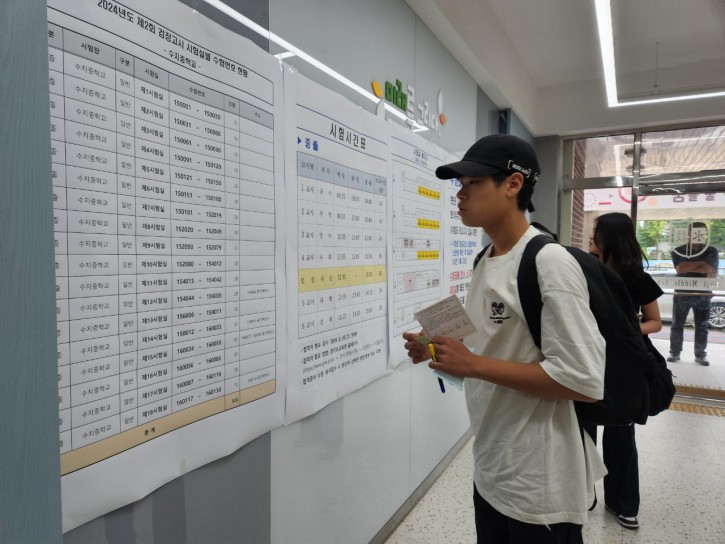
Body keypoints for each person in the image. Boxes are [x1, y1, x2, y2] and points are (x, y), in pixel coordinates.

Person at [403, 134, 606, 544]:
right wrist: (441, 350)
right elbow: (491, 350)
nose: (460, 194)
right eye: (459, 184)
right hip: (492, 464)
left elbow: (584, 380)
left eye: (473, 182)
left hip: (539, 483)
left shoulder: (548, 261)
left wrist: (474, 364)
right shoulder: (485, 259)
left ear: (513, 184)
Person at [585, 212, 664, 531]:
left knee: (621, 434)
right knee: (581, 431)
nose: (591, 237)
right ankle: (582, 493)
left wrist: (625, 331)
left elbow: (655, 322)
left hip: (625, 364)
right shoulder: (585, 269)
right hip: (588, 360)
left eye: (596, 232)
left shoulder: (637, 278)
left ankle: (623, 503)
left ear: (611, 237)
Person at [667, 221, 719, 366]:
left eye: (702, 233)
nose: (699, 235)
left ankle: (700, 355)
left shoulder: (712, 251)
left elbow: (711, 269)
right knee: (677, 324)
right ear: (688, 234)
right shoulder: (679, 250)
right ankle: (675, 352)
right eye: (695, 232)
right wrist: (703, 264)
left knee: (702, 326)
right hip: (682, 293)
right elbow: (681, 268)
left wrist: (693, 265)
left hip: (703, 294)